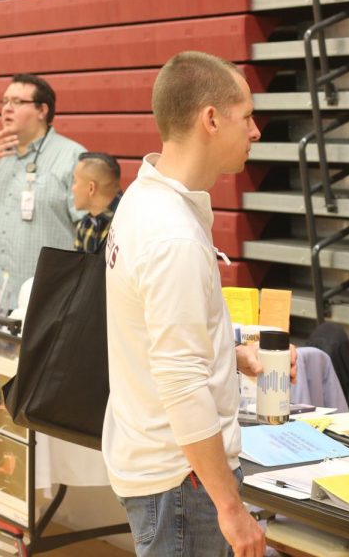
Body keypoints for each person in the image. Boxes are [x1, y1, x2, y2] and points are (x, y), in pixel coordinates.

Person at [103, 51, 295, 557]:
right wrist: (231, 509)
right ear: (211, 118)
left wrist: (230, 355)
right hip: (182, 481)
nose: (255, 132)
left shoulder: (143, 200)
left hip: (166, 472)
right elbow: (181, 380)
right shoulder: (172, 235)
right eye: (247, 115)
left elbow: (157, 336)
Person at [0, 74, 86, 311]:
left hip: (45, 305)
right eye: (4, 101)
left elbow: (92, 232)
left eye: (17, 102)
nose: (7, 108)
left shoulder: (73, 158)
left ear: (42, 110)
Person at [72, 152, 123, 253]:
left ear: (91, 188)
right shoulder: (85, 224)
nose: (72, 188)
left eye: (75, 181)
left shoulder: (127, 221)